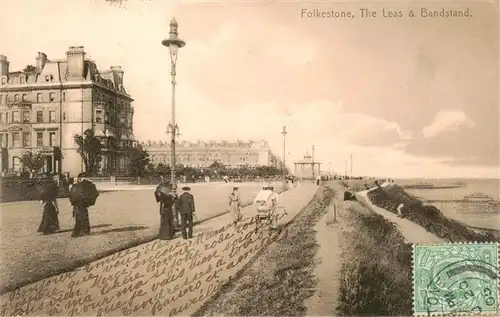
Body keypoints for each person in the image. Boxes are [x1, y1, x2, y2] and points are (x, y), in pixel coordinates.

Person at [71, 173, 92, 238]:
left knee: (81, 218)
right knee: (80, 218)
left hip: (79, 204)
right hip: (80, 205)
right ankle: (78, 232)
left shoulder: (76, 186)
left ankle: (83, 231)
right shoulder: (81, 186)